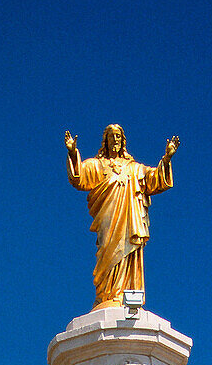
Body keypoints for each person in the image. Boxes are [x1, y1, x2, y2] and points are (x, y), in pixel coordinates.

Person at [65, 124, 179, 308]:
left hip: (129, 220)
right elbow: (79, 178)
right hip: (108, 219)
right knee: (108, 251)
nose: (115, 140)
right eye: (111, 136)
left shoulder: (134, 168)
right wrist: (72, 152)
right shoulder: (97, 165)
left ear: (122, 141)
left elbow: (153, 179)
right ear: (106, 141)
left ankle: (125, 294)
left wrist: (166, 158)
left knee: (128, 251)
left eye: (118, 136)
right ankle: (106, 296)